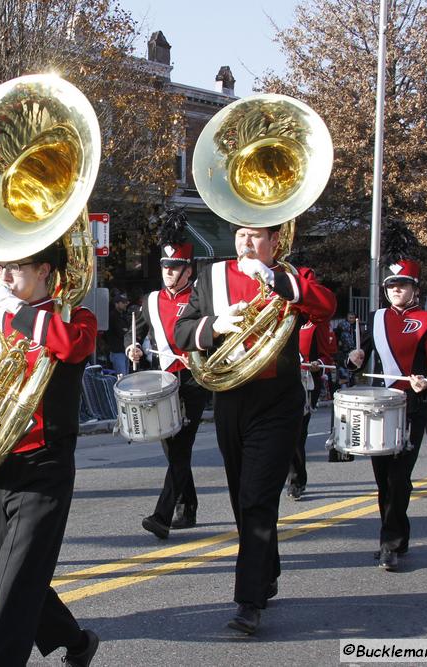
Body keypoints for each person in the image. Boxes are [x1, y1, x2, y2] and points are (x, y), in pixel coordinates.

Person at [174, 223, 335, 635]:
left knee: (256, 499)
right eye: (241, 235)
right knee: (241, 497)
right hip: (230, 399)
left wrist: (277, 281)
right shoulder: (211, 276)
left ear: (275, 241)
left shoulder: (294, 277)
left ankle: (249, 601)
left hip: (278, 402)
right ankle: (267, 568)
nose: (246, 243)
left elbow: (325, 307)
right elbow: (181, 332)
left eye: (257, 236)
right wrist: (213, 327)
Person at [0, 243, 99, 666]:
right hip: (1, 463)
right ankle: (76, 642)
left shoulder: (75, 316)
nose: (5, 275)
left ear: (45, 270)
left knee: (12, 587)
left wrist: (14, 307)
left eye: (15, 267)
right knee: (15, 572)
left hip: (45, 466)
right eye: (2, 267)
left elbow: (70, 346)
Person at [345, 260, 427, 571]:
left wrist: (426, 384)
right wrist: (354, 359)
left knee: (398, 477)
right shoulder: (377, 319)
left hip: (412, 407)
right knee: (383, 480)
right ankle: (398, 536)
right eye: (391, 285)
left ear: (415, 289)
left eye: (402, 285)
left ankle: (388, 544)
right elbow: (359, 360)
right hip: (381, 407)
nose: (396, 290)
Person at [126, 241, 208, 538]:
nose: (168, 272)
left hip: (193, 379)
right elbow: (132, 331)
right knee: (170, 446)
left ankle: (162, 515)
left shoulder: (201, 297)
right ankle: (188, 507)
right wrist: (132, 347)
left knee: (181, 445)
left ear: (188, 270)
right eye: (165, 266)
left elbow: (216, 331)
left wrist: (201, 349)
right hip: (163, 379)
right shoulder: (151, 300)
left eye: (174, 267)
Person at [288, 316, 337, 500]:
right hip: (277, 380)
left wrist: (319, 365)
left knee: (296, 433)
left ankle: (296, 481)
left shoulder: (317, 323)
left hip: (305, 382)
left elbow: (326, 357)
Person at [106, 293, 131, 376]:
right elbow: (121, 332)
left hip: (125, 350)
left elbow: (128, 330)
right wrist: (127, 331)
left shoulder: (123, 315)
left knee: (126, 377)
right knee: (121, 378)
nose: (125, 304)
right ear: (116, 304)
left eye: (126, 302)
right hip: (117, 352)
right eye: (123, 302)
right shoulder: (112, 316)